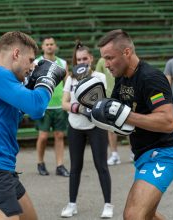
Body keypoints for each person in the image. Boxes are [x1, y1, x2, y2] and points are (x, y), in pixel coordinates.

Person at [81, 29, 173, 219]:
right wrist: (91, 109)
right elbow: (114, 116)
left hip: (163, 155)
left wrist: (126, 115)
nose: (106, 64)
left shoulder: (151, 78)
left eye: (110, 58)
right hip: (143, 155)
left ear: (127, 52)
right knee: (148, 215)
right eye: (104, 59)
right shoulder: (123, 79)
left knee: (133, 215)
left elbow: (168, 122)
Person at [0, 31, 66, 220]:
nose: (32, 67)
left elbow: (25, 110)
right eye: (30, 60)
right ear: (15, 54)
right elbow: (36, 108)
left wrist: (30, 86)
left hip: (3, 169)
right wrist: (47, 81)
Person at [61, 41, 113, 218]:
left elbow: (102, 100)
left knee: (101, 166)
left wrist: (91, 109)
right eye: (79, 59)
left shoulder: (99, 77)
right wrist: (78, 108)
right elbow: (64, 103)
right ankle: (72, 204)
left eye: (85, 58)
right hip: (75, 125)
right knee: (75, 166)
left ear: (91, 58)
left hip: (96, 126)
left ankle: (108, 204)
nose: (82, 62)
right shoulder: (70, 78)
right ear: (75, 61)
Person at [34, 36, 69, 177]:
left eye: (51, 44)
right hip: (43, 105)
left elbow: (68, 83)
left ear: (55, 46)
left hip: (59, 105)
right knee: (42, 136)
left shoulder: (63, 63)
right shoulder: (37, 62)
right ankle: (40, 163)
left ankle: (59, 165)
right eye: (47, 44)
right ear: (42, 47)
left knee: (59, 135)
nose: (49, 46)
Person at [96, 58, 121, 165]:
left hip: (123, 94)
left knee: (130, 125)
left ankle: (134, 153)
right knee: (111, 127)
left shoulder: (120, 58)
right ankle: (114, 154)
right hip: (109, 97)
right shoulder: (102, 61)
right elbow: (97, 78)